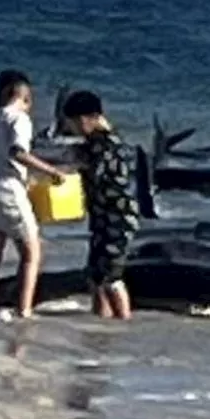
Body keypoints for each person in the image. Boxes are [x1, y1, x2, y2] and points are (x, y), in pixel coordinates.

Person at [0, 69, 66, 324]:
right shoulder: (20, 119)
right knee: (31, 252)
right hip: (9, 193)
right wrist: (51, 171)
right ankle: (23, 311)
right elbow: (18, 152)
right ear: (24, 96)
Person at [61, 90, 140, 320]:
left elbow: (94, 171)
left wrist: (66, 169)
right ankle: (101, 322)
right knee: (95, 275)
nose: (74, 130)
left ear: (88, 118)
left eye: (75, 124)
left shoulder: (106, 144)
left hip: (118, 219)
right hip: (102, 218)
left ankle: (124, 322)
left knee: (112, 277)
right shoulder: (97, 142)